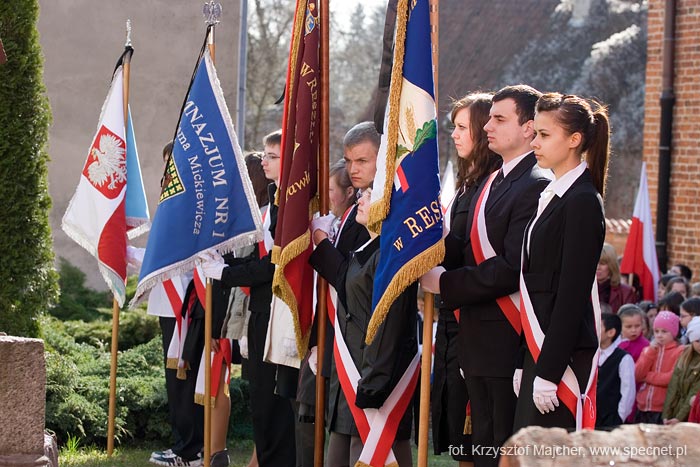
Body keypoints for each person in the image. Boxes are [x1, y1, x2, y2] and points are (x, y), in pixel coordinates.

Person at [420, 84, 550, 467]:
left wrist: (445, 283)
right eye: (489, 118)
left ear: (529, 128)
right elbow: (469, 248)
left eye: (499, 119)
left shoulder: (535, 184)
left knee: (500, 452)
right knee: (480, 451)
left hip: (505, 341)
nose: (488, 126)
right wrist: (431, 244)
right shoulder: (493, 181)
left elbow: (511, 268)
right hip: (476, 341)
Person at [509, 93, 608, 430]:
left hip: (561, 358)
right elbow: (535, 285)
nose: (535, 142)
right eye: (535, 133)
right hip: (539, 350)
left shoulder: (582, 201)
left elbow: (571, 294)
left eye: (545, 135)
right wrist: (525, 359)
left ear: (574, 140)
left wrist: (548, 371)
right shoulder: (552, 195)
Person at [199, 130, 296, 467]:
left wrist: (225, 273)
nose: (264, 160)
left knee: (273, 406)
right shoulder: (275, 199)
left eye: (272, 155)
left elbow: (273, 265)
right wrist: (223, 263)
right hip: (260, 311)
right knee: (260, 402)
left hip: (279, 314)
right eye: (266, 155)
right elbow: (258, 259)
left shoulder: (291, 203)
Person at [432, 92, 500, 466]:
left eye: (462, 127)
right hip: (453, 322)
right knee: (460, 438)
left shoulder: (491, 186)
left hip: (476, 323)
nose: (455, 135)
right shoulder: (466, 186)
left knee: (476, 443)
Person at [308, 122, 377, 467]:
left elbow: (348, 277)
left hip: (367, 337)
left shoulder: (379, 206)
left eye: (363, 160)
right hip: (345, 334)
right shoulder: (358, 206)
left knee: (362, 441)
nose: (353, 170)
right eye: (350, 161)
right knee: (343, 436)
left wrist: (320, 243)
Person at [146, 142, 203, 467]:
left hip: (184, 304)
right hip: (169, 303)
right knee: (176, 380)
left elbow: (179, 260)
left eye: (174, 164)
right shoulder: (172, 205)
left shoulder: (189, 207)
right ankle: (183, 444)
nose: (169, 172)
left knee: (183, 379)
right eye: (167, 164)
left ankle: (189, 451)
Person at [634, 311, 684, 424]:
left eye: (664, 331)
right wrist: (650, 352)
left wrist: (647, 376)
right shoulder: (648, 350)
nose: (659, 335)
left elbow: (670, 378)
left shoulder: (679, 351)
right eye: (656, 331)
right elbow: (637, 374)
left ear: (674, 332)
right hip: (643, 407)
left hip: (663, 409)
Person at [596, 312, 635, 429]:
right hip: (592, 416)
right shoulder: (592, 356)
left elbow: (628, 390)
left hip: (611, 418)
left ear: (611, 332)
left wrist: (620, 416)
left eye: (599, 327)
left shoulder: (623, 358)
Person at [663, 317, 700, 424]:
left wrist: (679, 418)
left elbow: (695, 391)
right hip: (675, 411)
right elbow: (673, 387)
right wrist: (666, 414)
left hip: (690, 416)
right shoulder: (684, 355)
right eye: (698, 341)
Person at [597, 243, 636, 313]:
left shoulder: (625, 292)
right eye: (595, 263)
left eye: (602, 263)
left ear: (611, 265)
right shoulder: (584, 289)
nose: (598, 267)